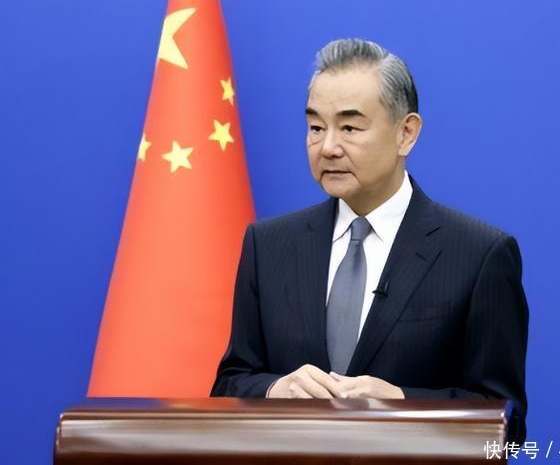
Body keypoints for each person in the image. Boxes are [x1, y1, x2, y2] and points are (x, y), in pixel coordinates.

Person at [211, 38, 528, 442]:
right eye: (316, 127)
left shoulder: (479, 254)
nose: (328, 147)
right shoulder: (268, 245)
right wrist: (276, 389)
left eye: (349, 127)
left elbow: (507, 424)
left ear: (406, 134)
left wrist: (403, 402)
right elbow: (229, 384)